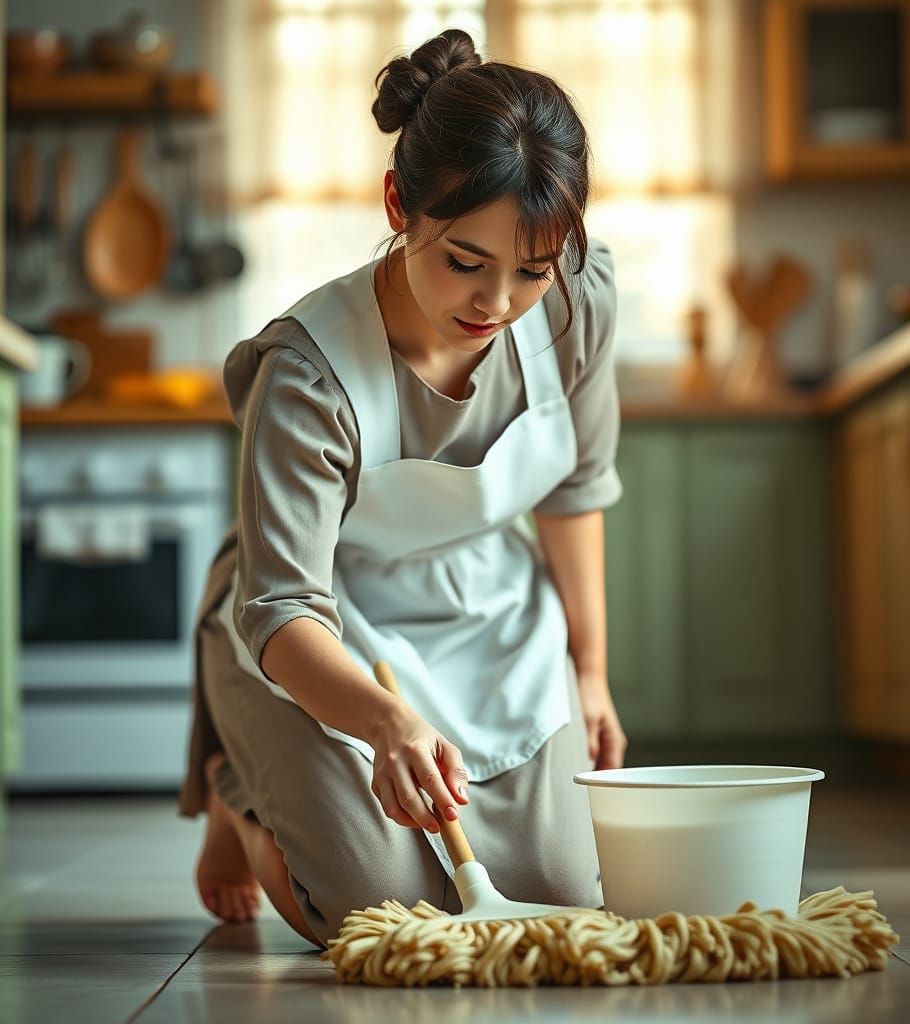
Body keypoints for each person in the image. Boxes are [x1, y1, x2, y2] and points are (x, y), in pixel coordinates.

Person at [176, 27, 627, 950]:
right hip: (318, 625)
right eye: (466, 260)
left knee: (562, 891)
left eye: (530, 271)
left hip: (489, 604)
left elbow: (576, 487)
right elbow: (281, 605)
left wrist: (591, 673)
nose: (496, 303)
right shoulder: (307, 375)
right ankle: (241, 791)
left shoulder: (579, 300)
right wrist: (385, 721)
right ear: (398, 203)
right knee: (372, 910)